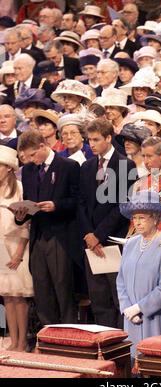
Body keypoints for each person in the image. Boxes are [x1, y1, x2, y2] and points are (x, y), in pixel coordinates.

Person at [15, 131, 79, 326]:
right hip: (38, 237)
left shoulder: (68, 166)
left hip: (60, 236)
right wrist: (21, 215)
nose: (32, 160)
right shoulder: (28, 171)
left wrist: (56, 205)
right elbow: (28, 203)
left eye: (34, 154)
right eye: (28, 156)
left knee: (63, 289)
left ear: (43, 146)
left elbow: (77, 201)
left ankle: (69, 336)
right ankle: (47, 336)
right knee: (41, 290)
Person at [79, 118, 137, 328]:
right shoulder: (86, 166)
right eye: (89, 140)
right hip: (91, 243)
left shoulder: (125, 164)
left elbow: (122, 206)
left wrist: (98, 235)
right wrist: (88, 234)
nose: (91, 144)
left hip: (114, 240)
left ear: (108, 138)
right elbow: (82, 204)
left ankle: (122, 347)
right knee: (99, 298)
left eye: (96, 139)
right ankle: (104, 345)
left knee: (118, 296)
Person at [117, 190, 161, 356]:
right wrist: (127, 309)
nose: (137, 223)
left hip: (158, 318)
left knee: (156, 364)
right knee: (134, 364)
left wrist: (140, 307)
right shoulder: (130, 244)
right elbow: (121, 279)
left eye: (142, 218)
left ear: (155, 218)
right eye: (135, 218)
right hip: (131, 317)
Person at [0, 146, 33, 351]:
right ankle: (13, 340)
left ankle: (23, 341)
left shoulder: (19, 188)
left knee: (19, 296)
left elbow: (27, 222)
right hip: (0, 247)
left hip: (17, 245)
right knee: (7, 296)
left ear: (9, 168)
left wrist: (20, 253)